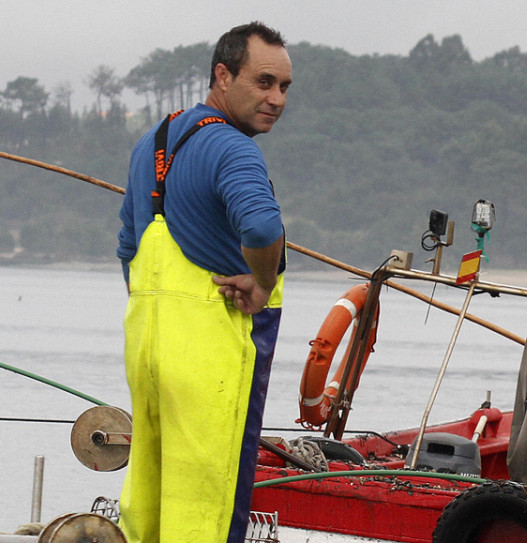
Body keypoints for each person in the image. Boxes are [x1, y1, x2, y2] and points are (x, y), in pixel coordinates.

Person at [116, 22, 292, 543]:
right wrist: (260, 284)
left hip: (146, 357)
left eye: (284, 87)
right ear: (223, 74)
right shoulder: (233, 149)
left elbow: (129, 249)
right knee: (206, 517)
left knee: (145, 510)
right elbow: (262, 226)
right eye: (263, 82)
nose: (276, 99)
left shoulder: (152, 143)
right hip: (208, 365)